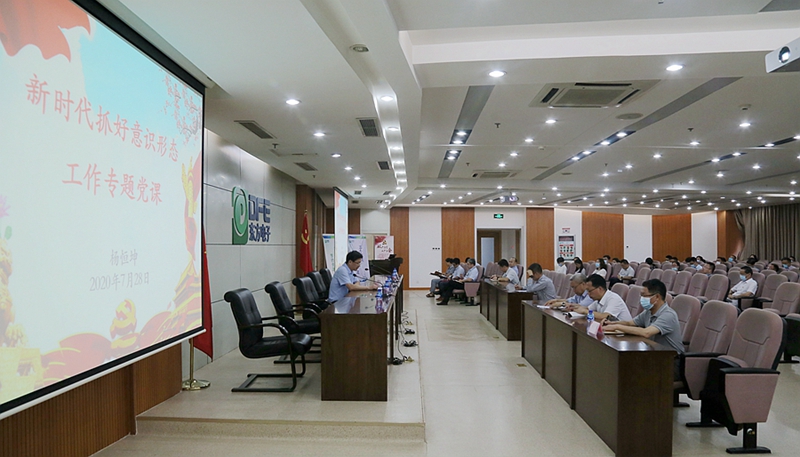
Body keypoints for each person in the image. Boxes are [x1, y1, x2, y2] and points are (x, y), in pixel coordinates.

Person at [603, 279, 685, 379]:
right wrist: (612, 323)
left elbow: (646, 333)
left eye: (644, 296)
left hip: (672, 362)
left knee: (632, 371)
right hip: (655, 356)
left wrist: (617, 327)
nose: (641, 299)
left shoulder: (668, 315)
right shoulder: (649, 311)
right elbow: (630, 323)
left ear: (657, 297)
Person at [567, 274, 632, 322]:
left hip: (625, 334)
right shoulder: (598, 300)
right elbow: (587, 308)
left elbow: (605, 316)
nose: (588, 294)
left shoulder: (614, 299)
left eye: (590, 291)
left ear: (600, 289)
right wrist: (573, 307)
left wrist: (585, 311)